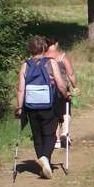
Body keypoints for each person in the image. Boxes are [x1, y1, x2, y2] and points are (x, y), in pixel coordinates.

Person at [15, 36, 69, 179]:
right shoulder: (51, 63)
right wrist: (66, 94)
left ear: (30, 49)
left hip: (31, 106)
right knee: (50, 134)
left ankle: (44, 165)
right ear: (44, 48)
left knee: (37, 136)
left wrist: (19, 108)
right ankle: (45, 159)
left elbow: (21, 90)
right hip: (48, 105)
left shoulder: (25, 65)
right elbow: (60, 83)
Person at [44, 37, 78, 147]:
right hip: (62, 89)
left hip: (47, 89)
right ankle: (64, 132)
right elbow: (71, 74)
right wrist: (75, 86)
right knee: (65, 111)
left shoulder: (42, 57)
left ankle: (56, 139)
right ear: (56, 44)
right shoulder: (62, 57)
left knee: (52, 113)